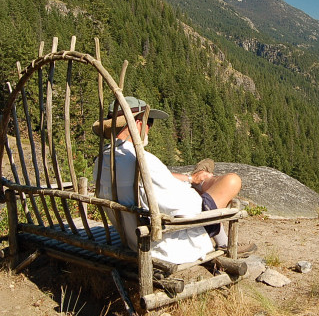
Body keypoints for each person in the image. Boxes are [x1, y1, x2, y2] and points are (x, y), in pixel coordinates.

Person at [92, 96, 252, 264]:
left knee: (199, 183)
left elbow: (146, 182)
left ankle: (202, 180)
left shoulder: (102, 161)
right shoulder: (141, 161)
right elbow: (186, 207)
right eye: (150, 123)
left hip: (132, 238)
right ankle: (223, 242)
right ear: (138, 124)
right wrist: (199, 188)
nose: (149, 129)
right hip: (165, 246)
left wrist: (189, 179)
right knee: (231, 181)